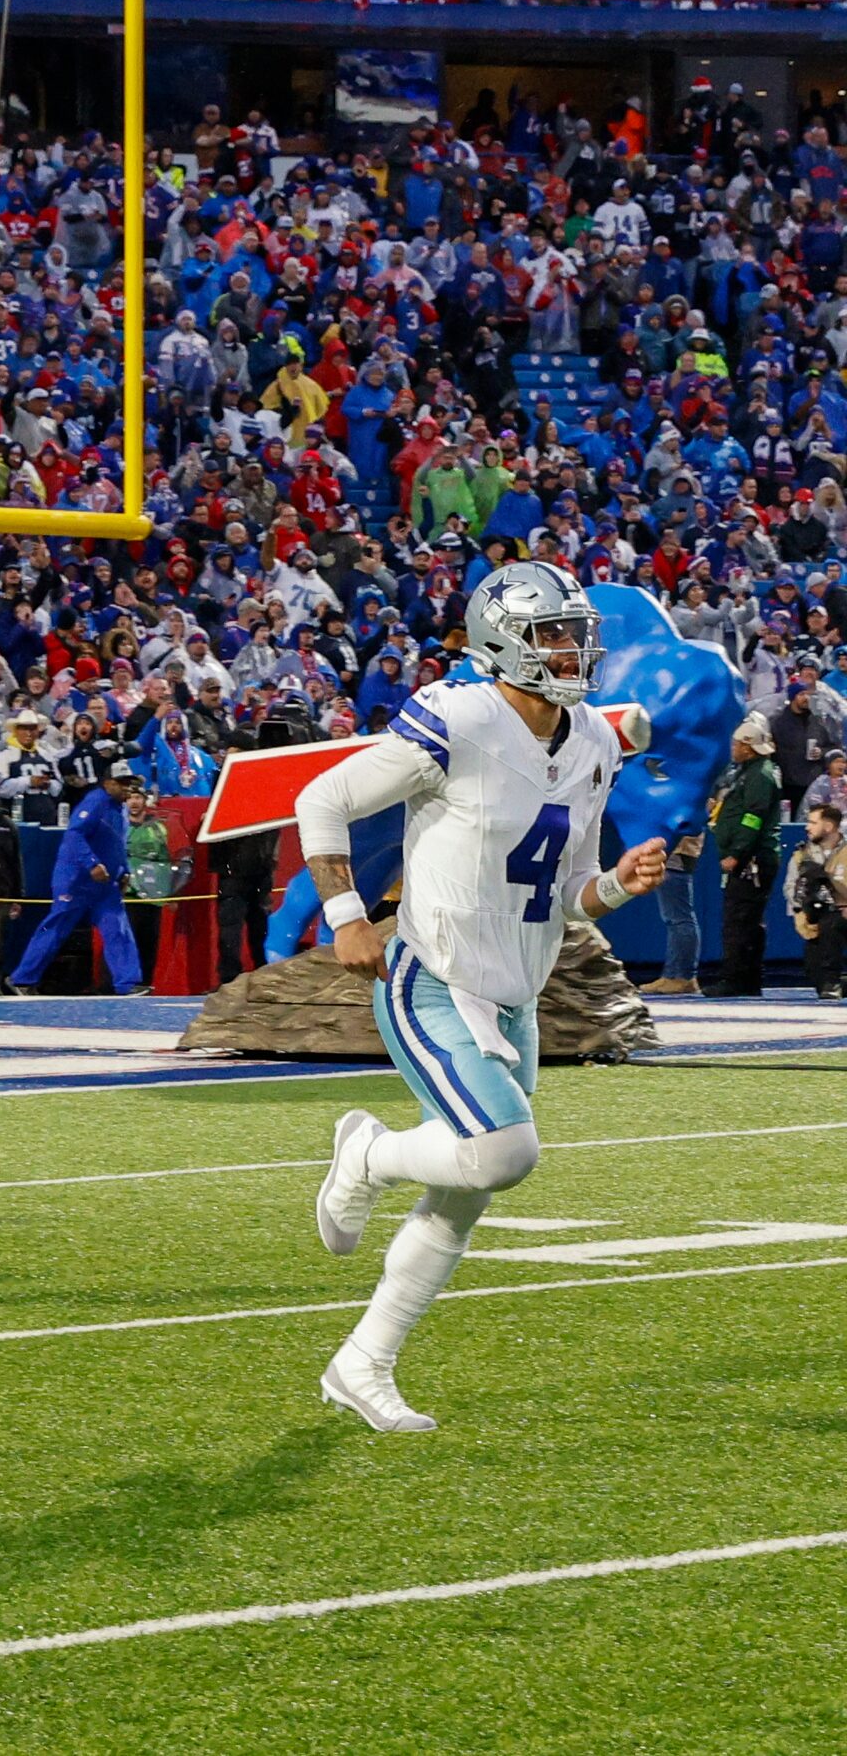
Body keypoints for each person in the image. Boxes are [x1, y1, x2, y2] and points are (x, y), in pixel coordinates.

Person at [299, 563, 666, 1432]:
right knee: (503, 1152)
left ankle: (363, 1364)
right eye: (553, 633)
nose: (574, 649)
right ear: (503, 640)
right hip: (437, 974)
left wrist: (614, 885)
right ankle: (370, 1153)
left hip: (516, 992)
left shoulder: (595, 742)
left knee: (465, 1194)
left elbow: (570, 887)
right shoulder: (458, 716)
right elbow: (324, 797)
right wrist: (348, 915)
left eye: (578, 631)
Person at [8, 761, 150, 995]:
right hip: (76, 880)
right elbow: (74, 835)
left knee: (118, 929)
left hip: (104, 885)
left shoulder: (120, 809)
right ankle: (22, 979)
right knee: (56, 928)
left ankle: (128, 983)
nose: (128, 788)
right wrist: (91, 863)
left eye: (130, 784)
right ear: (108, 783)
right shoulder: (95, 802)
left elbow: (117, 844)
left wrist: (124, 871)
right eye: (123, 783)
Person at [708, 712, 781, 997]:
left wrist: (737, 853)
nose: (733, 748)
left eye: (738, 744)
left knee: (739, 920)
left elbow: (753, 818)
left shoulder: (760, 775)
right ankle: (747, 978)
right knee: (746, 919)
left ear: (749, 747)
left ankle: (737, 978)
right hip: (750, 858)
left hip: (752, 860)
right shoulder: (748, 772)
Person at [784, 804, 847, 998]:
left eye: (812, 822)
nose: (807, 827)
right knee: (815, 974)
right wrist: (802, 910)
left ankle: (832, 980)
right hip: (819, 917)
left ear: (828, 827)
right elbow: (790, 888)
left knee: (832, 922)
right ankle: (834, 982)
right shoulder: (802, 855)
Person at [639, 828, 704, 995]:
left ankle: (683, 977)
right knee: (673, 918)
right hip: (675, 851)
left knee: (679, 918)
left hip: (677, 851)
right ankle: (671, 975)